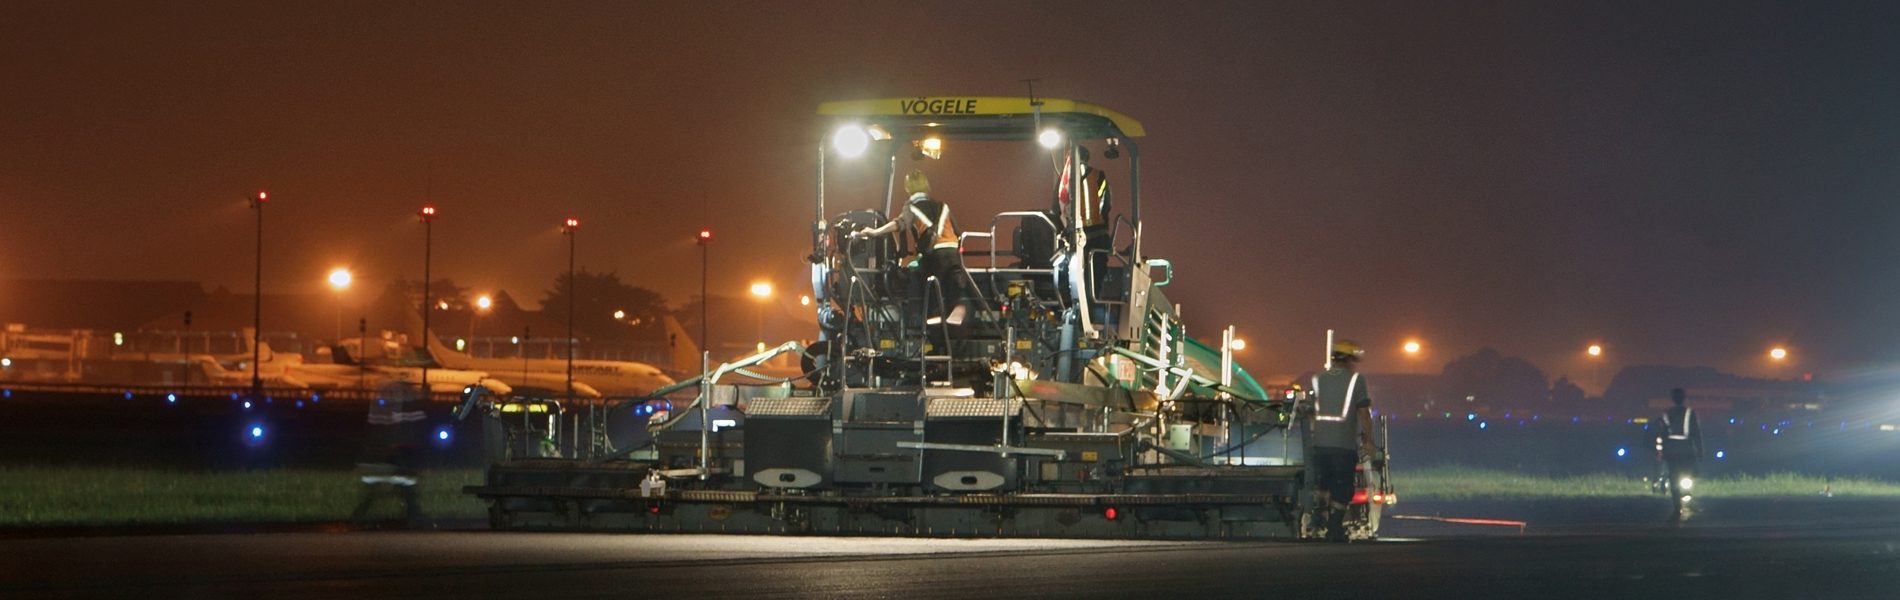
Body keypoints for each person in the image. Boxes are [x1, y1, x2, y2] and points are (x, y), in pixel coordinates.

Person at [853, 169, 976, 325]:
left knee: (921, 278)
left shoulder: (912, 206)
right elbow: (958, 232)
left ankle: (925, 316)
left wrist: (876, 232)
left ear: (908, 187)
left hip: (935, 253)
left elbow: (899, 224)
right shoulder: (942, 206)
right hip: (952, 251)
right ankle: (958, 308)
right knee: (954, 285)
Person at [1306, 339, 1379, 542]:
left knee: (1323, 483)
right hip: (1344, 444)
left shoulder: (1317, 379)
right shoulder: (1356, 380)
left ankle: (1318, 519)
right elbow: (1363, 412)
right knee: (1343, 486)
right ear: (1348, 359)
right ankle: (1334, 527)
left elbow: (1309, 411)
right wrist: (1369, 440)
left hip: (1320, 444)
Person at [1657, 387, 1703, 499]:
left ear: (1672, 399)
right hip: (1686, 448)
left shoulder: (1666, 414)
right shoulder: (1690, 413)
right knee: (1687, 471)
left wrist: (1661, 451)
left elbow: (1662, 434)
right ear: (1684, 398)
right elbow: (1696, 433)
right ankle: (1686, 490)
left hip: (1671, 449)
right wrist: (1700, 450)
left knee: (1673, 475)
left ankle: (1676, 502)